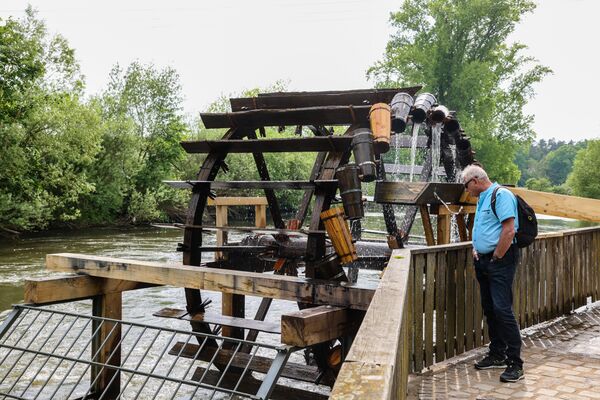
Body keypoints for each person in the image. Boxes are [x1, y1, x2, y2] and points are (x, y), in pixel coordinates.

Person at [461, 164, 524, 382]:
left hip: (500, 260)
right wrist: (476, 248)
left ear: (475, 181)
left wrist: (496, 256)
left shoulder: (501, 195)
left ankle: (515, 364)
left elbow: (509, 230)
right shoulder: (482, 198)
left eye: (466, 185)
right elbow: (483, 228)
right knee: (490, 308)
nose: (466, 190)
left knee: (502, 309)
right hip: (483, 260)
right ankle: (497, 354)